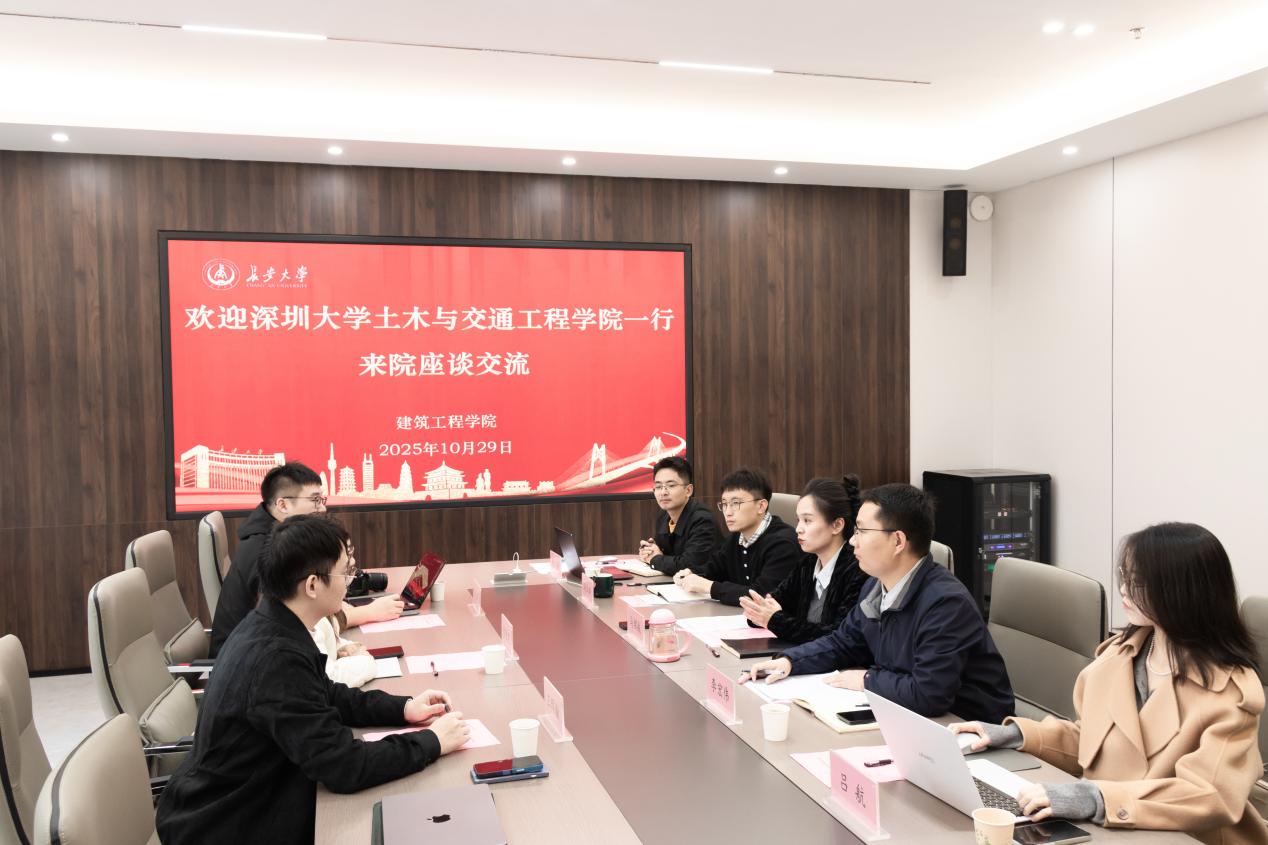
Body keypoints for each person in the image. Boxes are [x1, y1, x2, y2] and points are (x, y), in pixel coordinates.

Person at [156, 515, 470, 845]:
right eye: (345, 571)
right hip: (227, 823)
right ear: (312, 586)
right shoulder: (277, 658)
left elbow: (326, 694)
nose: (351, 580)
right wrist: (432, 742)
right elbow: (343, 766)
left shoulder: (273, 622)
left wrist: (404, 708)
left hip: (244, 799)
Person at [951, 523, 1267, 842]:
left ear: (1183, 591)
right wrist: (1016, 734)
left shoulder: (1230, 691)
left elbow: (1210, 795)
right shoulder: (1119, 655)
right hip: (1114, 829)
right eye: (1124, 576)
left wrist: (1097, 798)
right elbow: (1093, 740)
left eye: (1138, 582)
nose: (1124, 590)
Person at [745, 483, 1014, 724]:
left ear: (898, 541)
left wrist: (867, 680)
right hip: (907, 715)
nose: (852, 540)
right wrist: (790, 661)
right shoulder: (876, 585)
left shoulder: (946, 603)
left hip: (969, 731)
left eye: (862, 531)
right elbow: (843, 642)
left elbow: (929, 694)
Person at [210, 462, 403, 656]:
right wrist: (366, 613)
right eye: (315, 500)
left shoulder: (279, 539)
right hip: (251, 660)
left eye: (322, 499)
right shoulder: (269, 552)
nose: (322, 508)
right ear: (283, 505)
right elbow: (294, 623)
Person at [738, 475, 869, 645]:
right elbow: (769, 607)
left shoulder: (858, 569)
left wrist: (775, 619)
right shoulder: (808, 563)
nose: (798, 529)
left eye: (807, 521)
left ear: (837, 525)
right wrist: (762, 614)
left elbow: (839, 637)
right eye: (798, 520)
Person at [674, 468, 800, 606]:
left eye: (735, 503)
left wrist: (710, 587)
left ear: (761, 506)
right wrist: (692, 574)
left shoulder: (783, 544)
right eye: (724, 504)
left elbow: (762, 596)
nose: (728, 512)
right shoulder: (736, 538)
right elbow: (713, 570)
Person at [637, 456, 723, 575]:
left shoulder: (703, 521)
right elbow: (664, 555)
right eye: (658, 487)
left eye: (671, 485)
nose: (663, 492)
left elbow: (689, 566)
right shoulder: (664, 516)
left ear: (688, 490)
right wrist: (649, 551)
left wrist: (655, 559)